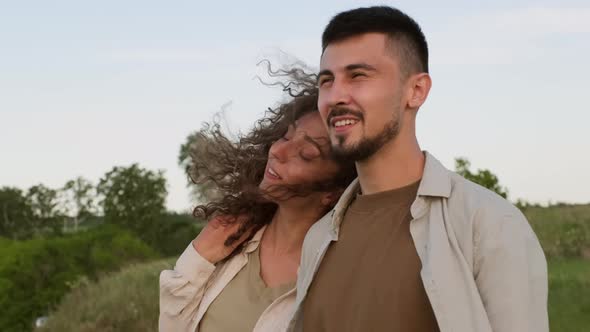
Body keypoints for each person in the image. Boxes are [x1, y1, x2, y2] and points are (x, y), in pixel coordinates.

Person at [288, 6, 548, 332]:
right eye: (326, 81)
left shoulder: (488, 225)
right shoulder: (318, 239)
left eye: (358, 76)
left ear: (416, 91)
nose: (335, 95)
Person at [159, 67, 356, 332]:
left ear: (332, 192)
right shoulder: (227, 243)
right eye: (286, 135)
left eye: (306, 154)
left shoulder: (338, 274)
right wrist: (198, 257)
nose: (278, 151)